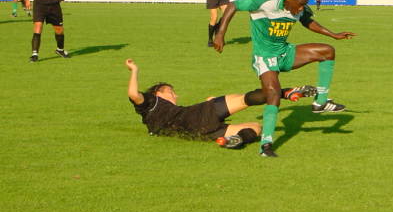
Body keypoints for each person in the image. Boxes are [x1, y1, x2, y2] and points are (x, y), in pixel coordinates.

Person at [213, 0, 356, 157]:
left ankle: (320, 103)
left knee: (327, 51)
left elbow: (307, 21)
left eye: (303, 5)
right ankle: (265, 145)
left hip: (285, 52)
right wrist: (220, 33)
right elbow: (234, 4)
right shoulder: (267, 0)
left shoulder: (297, 6)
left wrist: (333, 34)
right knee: (272, 95)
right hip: (264, 57)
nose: (301, 9)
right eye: (300, 5)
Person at [125, 59, 318, 149]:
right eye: (170, 91)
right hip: (200, 115)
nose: (175, 95)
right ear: (157, 93)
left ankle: (235, 140)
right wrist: (134, 69)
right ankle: (284, 92)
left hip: (199, 131)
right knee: (242, 99)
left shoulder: (154, 121)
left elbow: (182, 118)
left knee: (256, 126)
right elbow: (134, 93)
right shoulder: (151, 102)